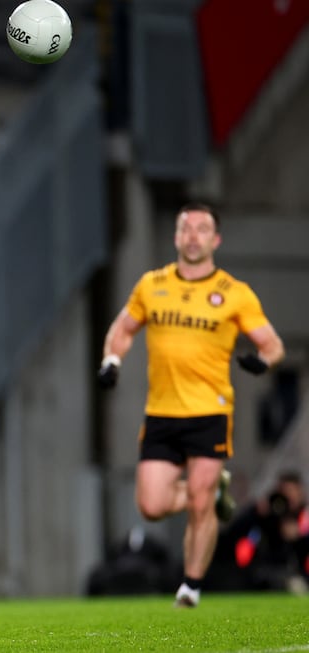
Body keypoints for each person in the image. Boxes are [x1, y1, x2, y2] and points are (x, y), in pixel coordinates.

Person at [97, 201, 284, 608]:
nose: (193, 235)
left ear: (214, 239)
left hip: (210, 412)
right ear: (176, 236)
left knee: (199, 503)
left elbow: (272, 345)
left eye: (202, 229)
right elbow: (124, 329)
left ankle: (190, 587)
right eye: (186, 228)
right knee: (151, 505)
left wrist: (261, 361)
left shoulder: (234, 294)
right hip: (162, 412)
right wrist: (112, 360)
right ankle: (212, 493)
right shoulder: (152, 285)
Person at [211, 470, 309, 592]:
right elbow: (231, 536)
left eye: (291, 492)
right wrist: (256, 513)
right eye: (283, 491)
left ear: (300, 493)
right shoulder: (266, 515)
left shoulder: (305, 518)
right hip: (262, 574)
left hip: (299, 573)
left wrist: (300, 535)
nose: (288, 497)